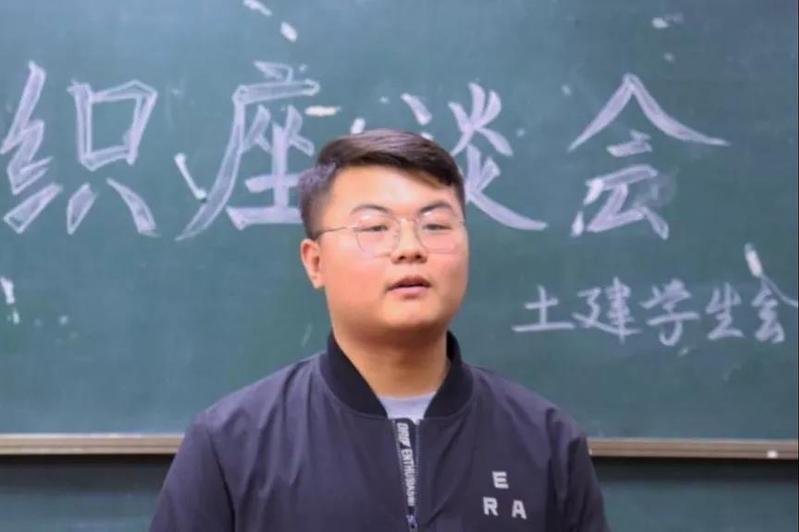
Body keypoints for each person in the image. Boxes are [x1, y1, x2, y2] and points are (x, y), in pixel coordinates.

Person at [151, 129, 610, 531]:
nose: (410, 248)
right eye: (374, 227)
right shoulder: (232, 443)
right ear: (315, 262)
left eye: (435, 225)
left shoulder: (545, 440)